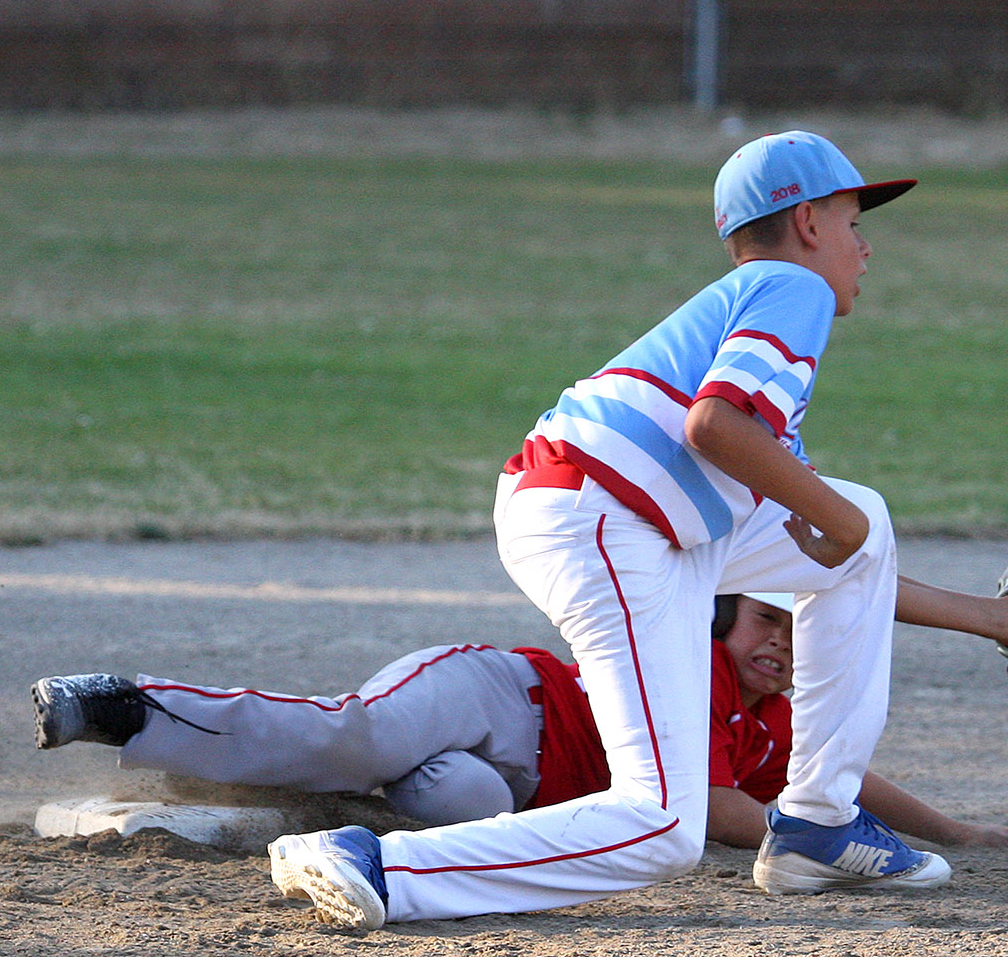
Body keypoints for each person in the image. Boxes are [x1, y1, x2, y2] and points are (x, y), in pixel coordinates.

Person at [261, 130, 954, 929]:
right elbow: (719, 425)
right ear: (806, 224)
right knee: (661, 826)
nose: (864, 248)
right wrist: (838, 522)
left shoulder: (745, 304)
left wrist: (973, 603)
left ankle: (819, 826)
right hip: (605, 515)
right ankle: (377, 864)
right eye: (853, 222)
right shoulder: (787, 287)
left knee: (863, 520)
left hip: (621, 510)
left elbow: (777, 484)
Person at [30, 592, 1008, 850]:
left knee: (460, 804)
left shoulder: (777, 724)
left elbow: (839, 779)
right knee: (367, 738)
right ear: (726, 619)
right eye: (766, 622)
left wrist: (952, 831)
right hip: (495, 693)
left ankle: (219, 777)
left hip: (505, 783)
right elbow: (714, 803)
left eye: (795, 632)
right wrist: (813, 839)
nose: (779, 645)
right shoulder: (698, 664)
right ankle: (120, 704)